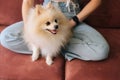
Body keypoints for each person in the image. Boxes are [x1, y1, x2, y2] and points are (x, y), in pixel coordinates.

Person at [0, 0, 109, 61]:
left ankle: (52, 47)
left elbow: (97, 1)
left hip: (73, 16)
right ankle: (51, 47)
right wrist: (29, 28)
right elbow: (28, 2)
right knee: (6, 37)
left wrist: (72, 22)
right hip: (45, 15)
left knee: (101, 50)